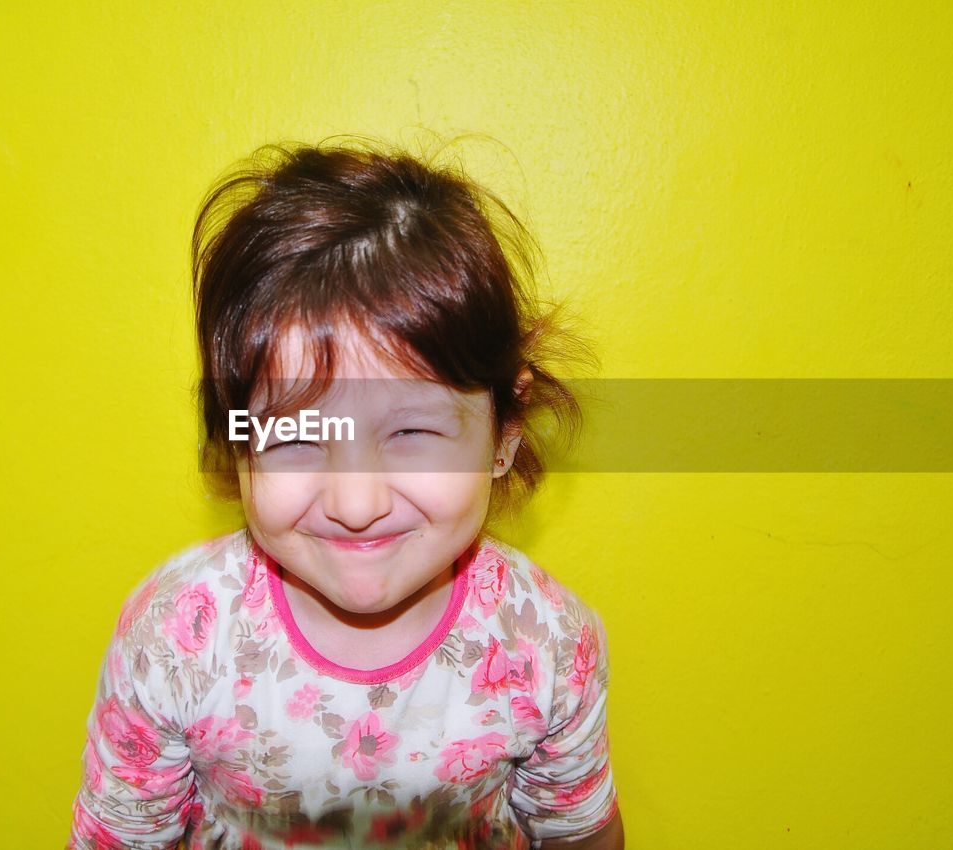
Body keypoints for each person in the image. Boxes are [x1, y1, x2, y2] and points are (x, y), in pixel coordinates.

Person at [67, 139, 624, 850]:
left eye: (413, 432)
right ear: (238, 441)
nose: (355, 505)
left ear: (505, 431)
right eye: (296, 437)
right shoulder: (176, 637)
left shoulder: (547, 642)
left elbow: (579, 833)